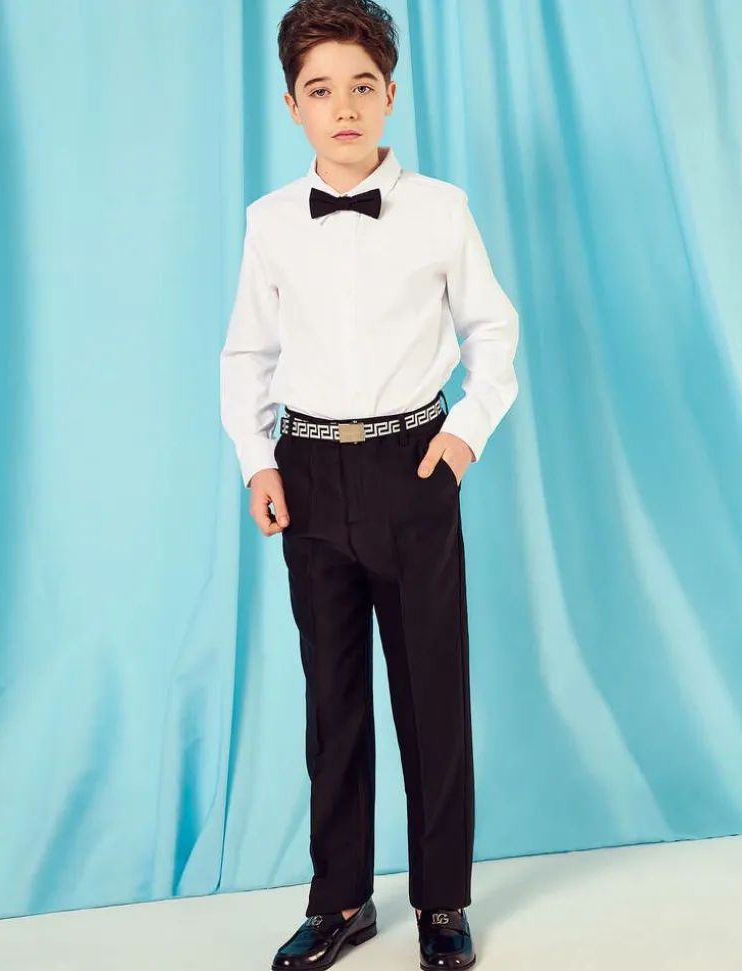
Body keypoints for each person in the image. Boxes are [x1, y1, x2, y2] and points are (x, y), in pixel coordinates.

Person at [219, 0, 519, 967]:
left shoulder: (440, 209)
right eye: (320, 90)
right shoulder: (271, 222)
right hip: (309, 472)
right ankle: (341, 897)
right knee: (332, 696)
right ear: (292, 106)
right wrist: (258, 460)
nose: (343, 107)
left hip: (412, 463)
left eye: (361, 86)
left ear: (391, 93)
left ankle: (441, 900)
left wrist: (462, 436)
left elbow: (493, 331)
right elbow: (247, 352)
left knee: (431, 692)